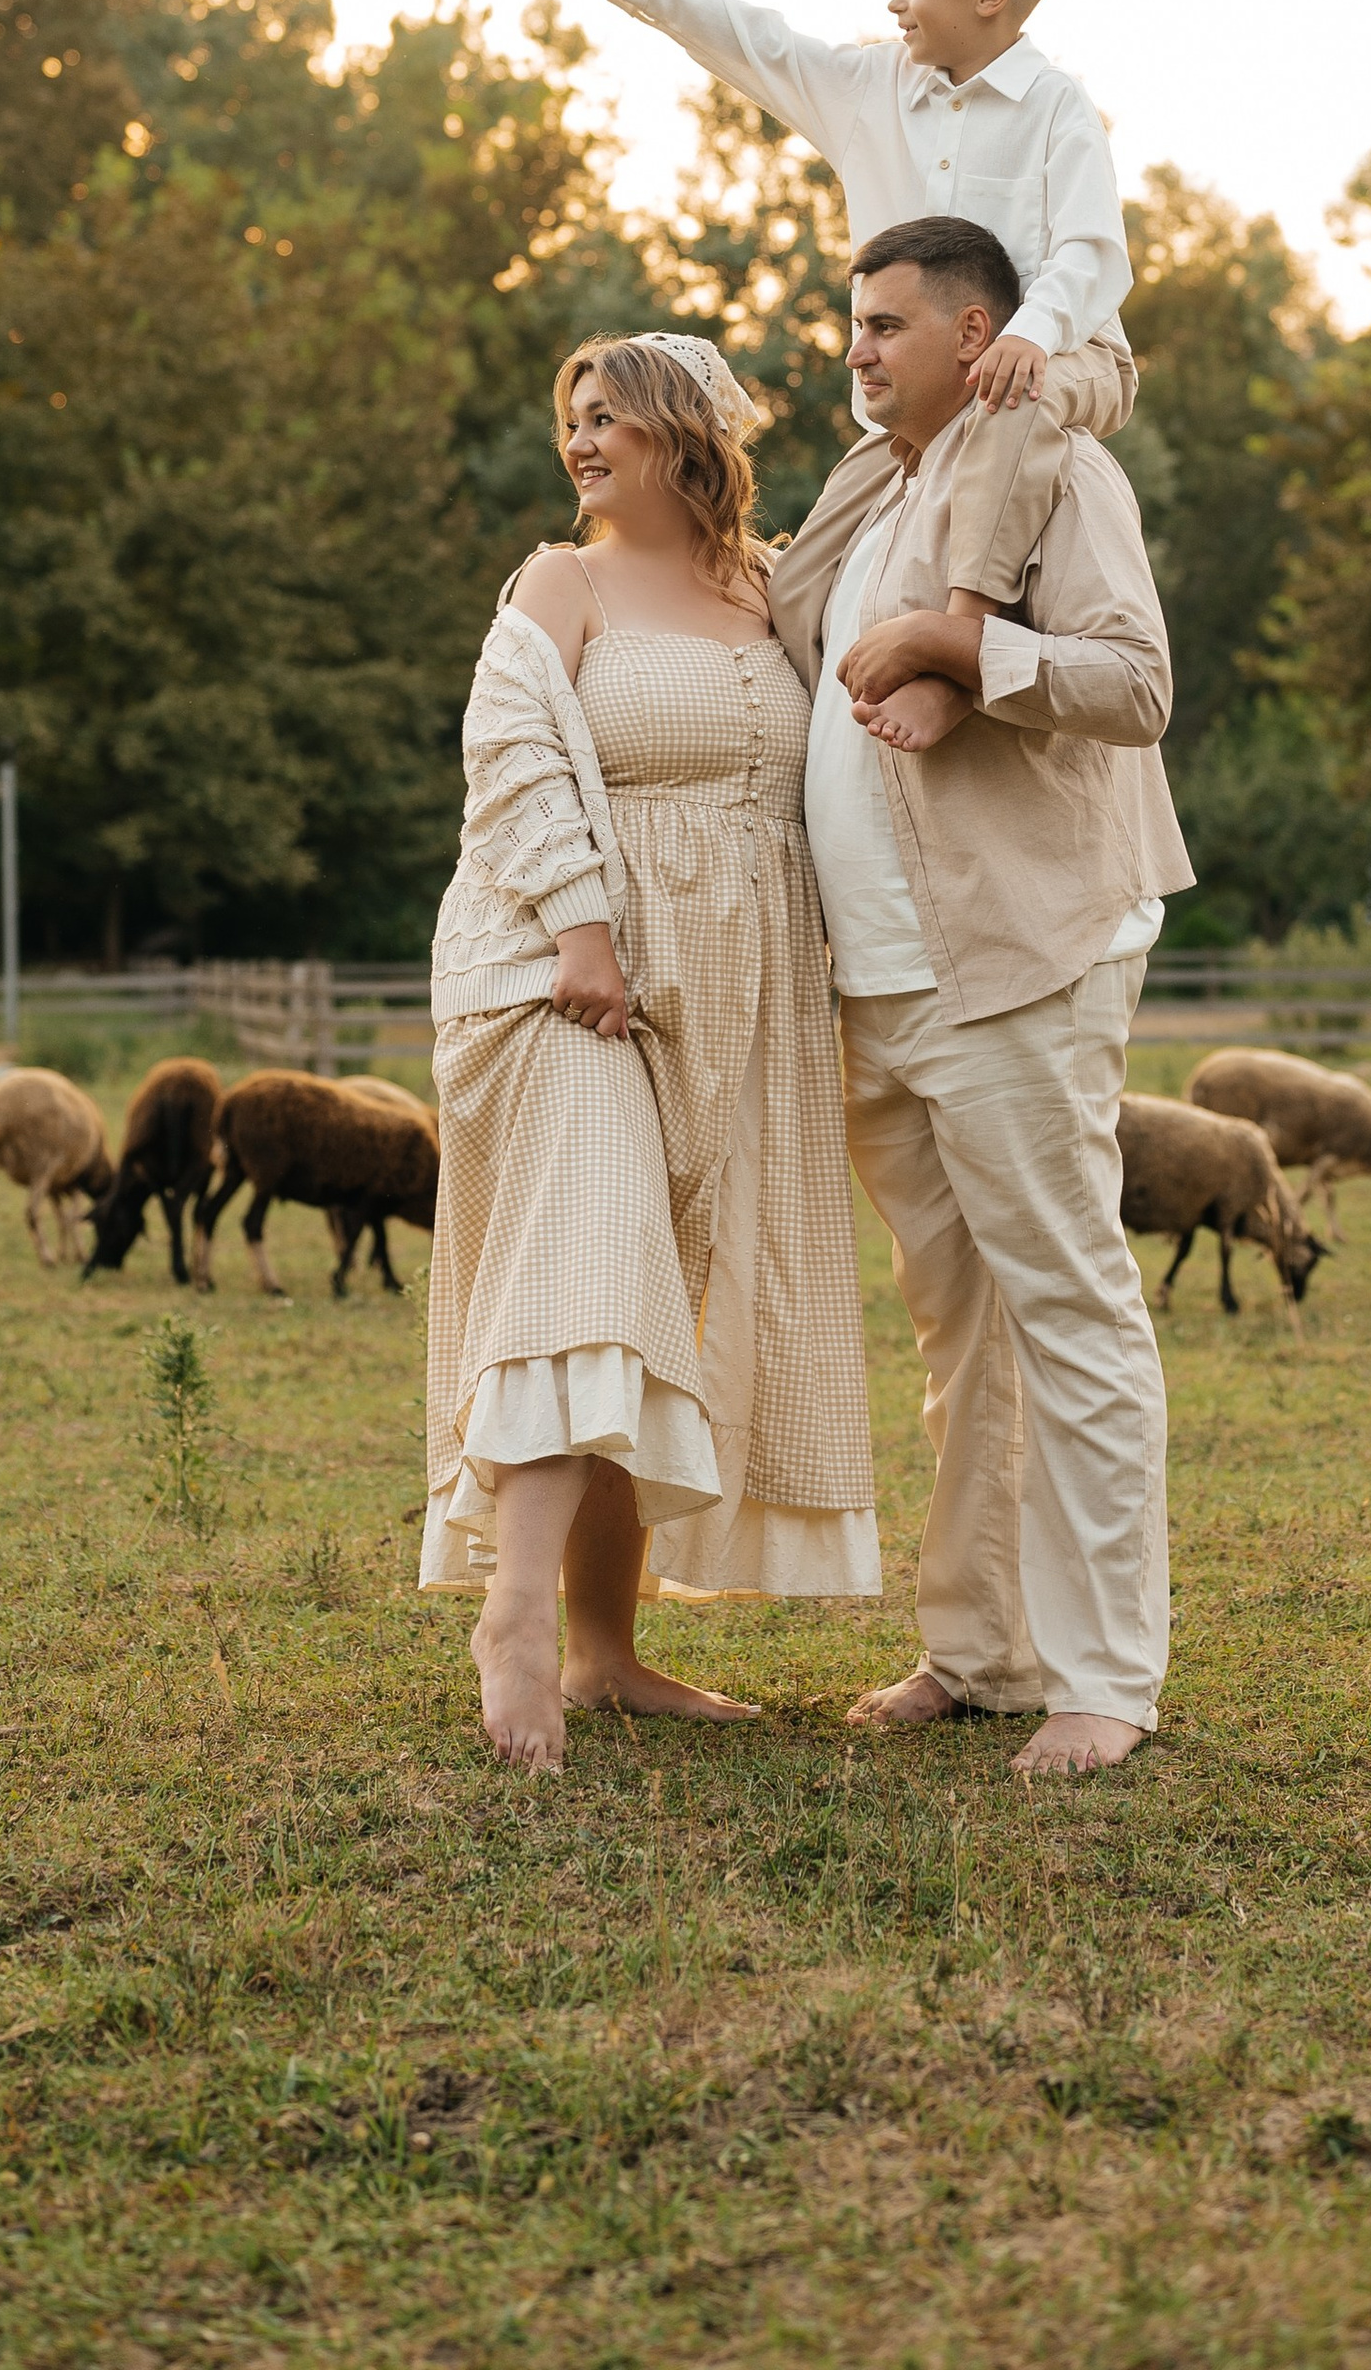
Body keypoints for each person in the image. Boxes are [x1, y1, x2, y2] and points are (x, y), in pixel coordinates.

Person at [769, 214, 1194, 1779]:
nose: (858, 348)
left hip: (1012, 959)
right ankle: (982, 1648)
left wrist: (968, 646)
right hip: (873, 979)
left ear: (974, 330)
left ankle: (1106, 1679)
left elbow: (1135, 684)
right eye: (852, 323)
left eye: (885, 322)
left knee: (1070, 1308)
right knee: (960, 1328)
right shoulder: (869, 492)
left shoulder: (1062, 473)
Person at [422, 330, 879, 1773]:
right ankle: (513, 1617)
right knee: (591, 1254)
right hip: (562, 973)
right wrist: (582, 931)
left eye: (609, 414)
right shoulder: (560, 581)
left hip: (736, 987)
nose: (582, 441)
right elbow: (510, 752)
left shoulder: (766, 589)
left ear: (687, 429)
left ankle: (610, 1654)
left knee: (660, 1294)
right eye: (573, 418)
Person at [520, 0, 1131, 752]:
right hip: (921, 403)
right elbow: (754, 41)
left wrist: (1031, 330)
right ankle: (815, 751)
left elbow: (1093, 248)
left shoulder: (1054, 105)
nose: (894, 1)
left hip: (1057, 357)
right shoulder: (868, 88)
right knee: (803, 579)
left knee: (1010, 408)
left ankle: (955, 651)